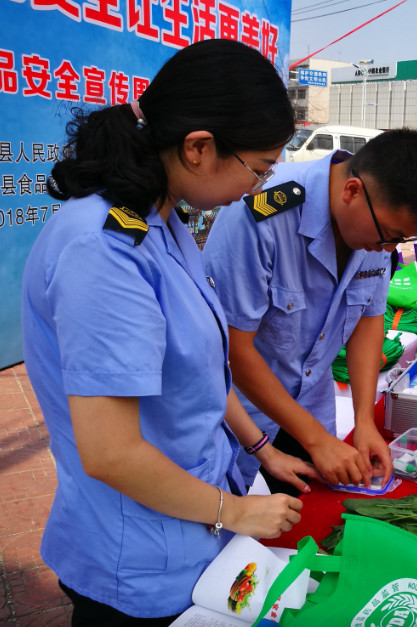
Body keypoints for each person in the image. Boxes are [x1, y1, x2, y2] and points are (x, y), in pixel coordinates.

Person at [20, 39, 318, 624]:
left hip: (188, 524)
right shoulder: (103, 250)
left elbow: (198, 370)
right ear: (199, 147)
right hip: (135, 556)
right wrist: (233, 511)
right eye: (257, 169)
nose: (257, 189)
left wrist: (259, 449)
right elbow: (110, 453)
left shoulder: (159, 218)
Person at [203, 129, 417, 495]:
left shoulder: (375, 222)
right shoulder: (265, 212)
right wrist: (316, 441)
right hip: (240, 413)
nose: (387, 247)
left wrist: (364, 421)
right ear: (352, 191)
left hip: (312, 403)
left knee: (303, 522)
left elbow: (368, 322)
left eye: (401, 239)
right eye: (388, 234)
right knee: (230, 531)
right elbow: (232, 347)